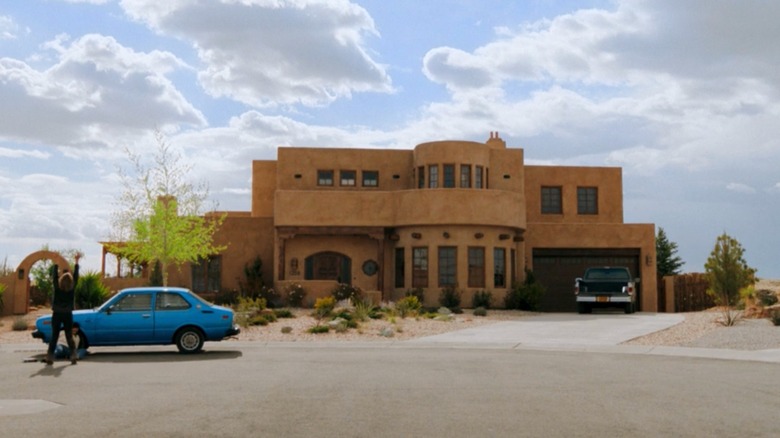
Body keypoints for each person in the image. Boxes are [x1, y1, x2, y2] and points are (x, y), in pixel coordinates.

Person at [46, 254, 80, 365]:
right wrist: (76, 262)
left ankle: (50, 356)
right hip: (67, 314)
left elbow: (54, 276)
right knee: (68, 335)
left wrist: (55, 263)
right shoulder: (72, 288)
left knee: (54, 335)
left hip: (57, 313)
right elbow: (76, 276)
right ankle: (73, 354)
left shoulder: (57, 287)